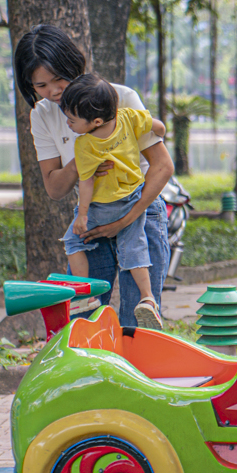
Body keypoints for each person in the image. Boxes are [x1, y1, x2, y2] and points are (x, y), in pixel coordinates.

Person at [12, 26, 171, 325]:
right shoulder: (42, 114)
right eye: (41, 85)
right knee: (85, 320)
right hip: (93, 219)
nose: (54, 91)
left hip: (140, 211)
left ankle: (136, 367)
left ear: (74, 65)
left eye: (59, 78)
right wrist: (82, 163)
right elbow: (55, 188)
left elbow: (163, 167)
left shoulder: (119, 97)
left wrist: (125, 221)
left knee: (136, 319)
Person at [60, 74, 169, 328]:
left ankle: (84, 294)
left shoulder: (85, 144)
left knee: (73, 242)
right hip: (132, 200)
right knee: (135, 251)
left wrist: (82, 215)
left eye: (72, 120)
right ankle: (148, 298)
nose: (68, 123)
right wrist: (159, 129)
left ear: (95, 121)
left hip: (101, 208)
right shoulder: (128, 117)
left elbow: (86, 183)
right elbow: (159, 128)